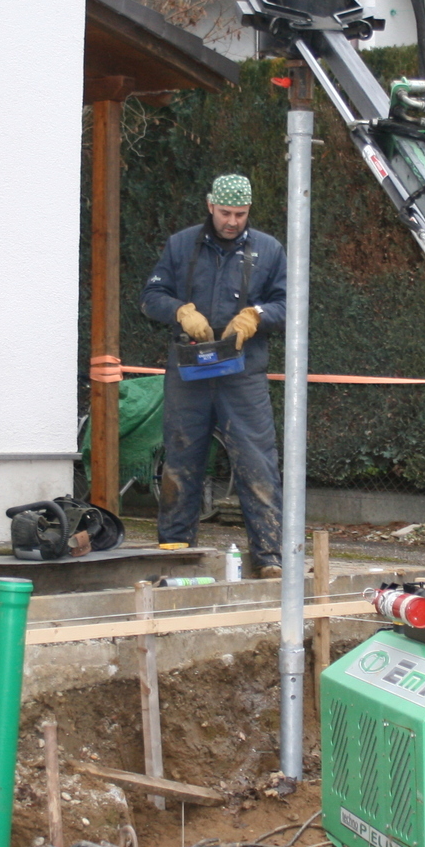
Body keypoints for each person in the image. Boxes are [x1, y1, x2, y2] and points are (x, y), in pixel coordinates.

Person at [141, 174, 288, 574]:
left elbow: (289, 303)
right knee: (181, 459)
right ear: (210, 205)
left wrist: (257, 315)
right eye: (225, 213)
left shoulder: (269, 251)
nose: (232, 221)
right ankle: (176, 552)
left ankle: (269, 557)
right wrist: (179, 312)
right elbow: (150, 296)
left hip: (243, 373)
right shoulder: (181, 245)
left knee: (257, 463)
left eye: (241, 214)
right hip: (189, 371)